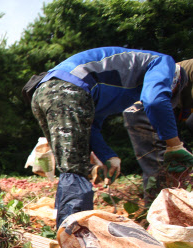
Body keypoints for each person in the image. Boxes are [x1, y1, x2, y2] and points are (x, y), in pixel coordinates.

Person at [30, 47, 193, 229]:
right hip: (67, 89)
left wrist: (109, 157)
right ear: (176, 85)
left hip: (46, 91)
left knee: (71, 167)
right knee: (75, 170)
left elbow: (91, 126)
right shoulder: (165, 63)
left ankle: (66, 232)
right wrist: (174, 145)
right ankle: (76, 236)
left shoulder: (115, 89)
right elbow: (155, 101)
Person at [122, 59, 193, 203]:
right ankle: (161, 217)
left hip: (150, 104)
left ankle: (161, 212)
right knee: (162, 167)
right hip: (151, 105)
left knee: (160, 166)